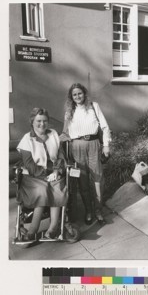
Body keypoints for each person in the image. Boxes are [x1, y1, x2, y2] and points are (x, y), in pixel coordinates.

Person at [59, 83, 111, 225]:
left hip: (94, 145)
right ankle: (88, 210)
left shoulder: (94, 106)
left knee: (97, 179)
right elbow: (64, 133)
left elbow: (105, 127)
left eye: (80, 93)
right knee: (82, 181)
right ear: (71, 97)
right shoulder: (69, 112)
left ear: (84, 93)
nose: (77, 96)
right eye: (74, 94)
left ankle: (98, 211)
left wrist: (106, 145)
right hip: (77, 147)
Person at [17, 108, 67, 241]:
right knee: (42, 190)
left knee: (57, 188)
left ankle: (52, 228)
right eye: (38, 121)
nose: (42, 124)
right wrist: (46, 175)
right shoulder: (27, 139)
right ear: (32, 121)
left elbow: (60, 156)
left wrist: (56, 171)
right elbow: (29, 164)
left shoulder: (54, 134)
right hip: (33, 177)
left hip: (53, 174)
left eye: (45, 121)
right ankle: (33, 230)